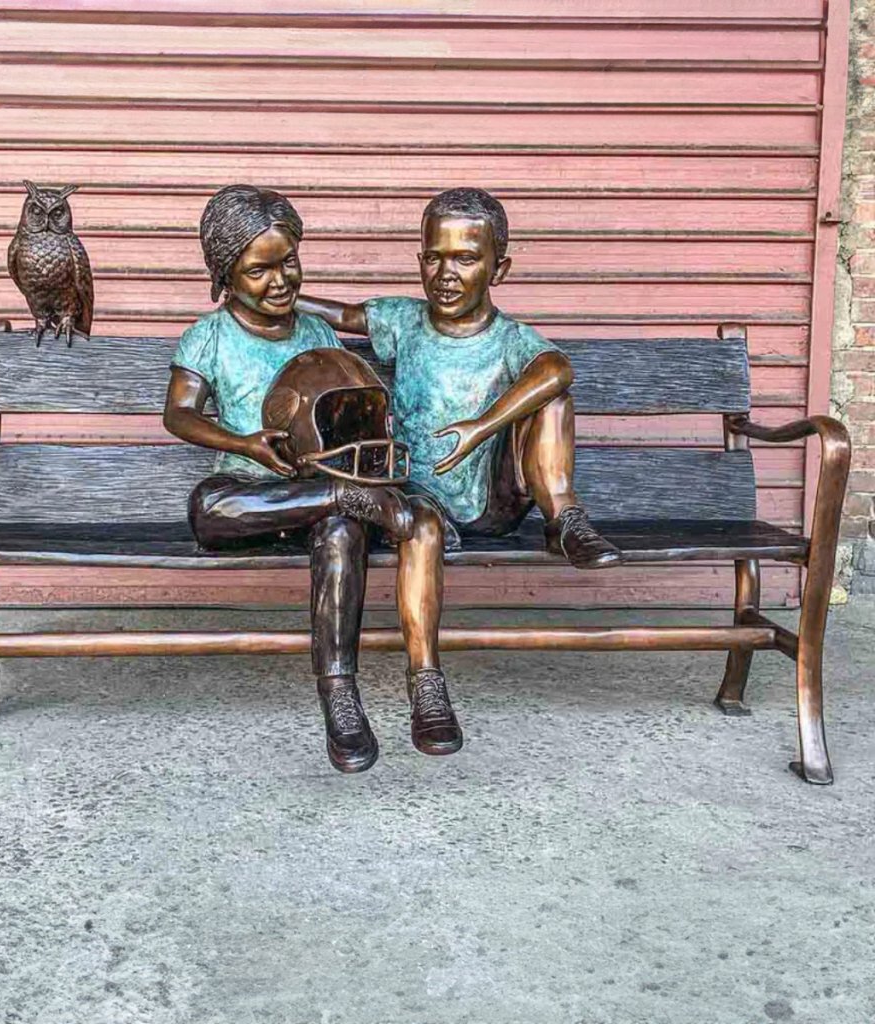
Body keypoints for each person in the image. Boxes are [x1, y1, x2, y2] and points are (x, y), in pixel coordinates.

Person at [162, 185, 462, 775]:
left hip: (319, 489)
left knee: (342, 532)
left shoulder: (315, 334)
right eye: (258, 270)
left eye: (288, 262)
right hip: (252, 493)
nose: (279, 281)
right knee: (206, 508)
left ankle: (340, 694)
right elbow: (179, 414)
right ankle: (339, 498)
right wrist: (242, 442)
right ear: (224, 274)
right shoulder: (209, 335)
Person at [298, 187, 623, 569]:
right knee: (411, 507)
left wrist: (481, 427)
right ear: (420, 261)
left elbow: (557, 369)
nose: (446, 275)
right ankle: (432, 519)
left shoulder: (510, 338)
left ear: (498, 270)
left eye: (465, 259)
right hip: (414, 494)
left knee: (552, 399)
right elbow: (344, 316)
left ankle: (565, 520)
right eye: (434, 258)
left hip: (492, 500)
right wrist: (277, 293)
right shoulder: (404, 319)